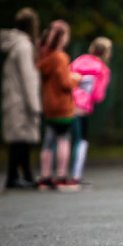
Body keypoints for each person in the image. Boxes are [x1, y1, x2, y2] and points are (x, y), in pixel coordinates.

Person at [36, 20, 80, 192]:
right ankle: (61, 176)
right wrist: (76, 79)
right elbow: (65, 82)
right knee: (63, 140)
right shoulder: (60, 57)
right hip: (62, 106)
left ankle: (45, 177)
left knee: (48, 142)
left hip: (48, 105)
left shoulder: (44, 57)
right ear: (62, 37)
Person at [1, 8, 42, 191]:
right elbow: (28, 78)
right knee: (20, 139)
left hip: (13, 97)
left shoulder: (14, 44)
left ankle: (23, 175)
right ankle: (16, 176)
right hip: (21, 100)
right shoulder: (24, 47)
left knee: (19, 139)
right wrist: (35, 104)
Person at [69, 37, 113, 185]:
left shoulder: (79, 61)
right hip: (82, 108)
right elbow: (98, 95)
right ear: (106, 53)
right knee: (81, 141)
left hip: (67, 104)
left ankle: (58, 174)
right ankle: (75, 175)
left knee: (62, 139)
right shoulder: (102, 69)